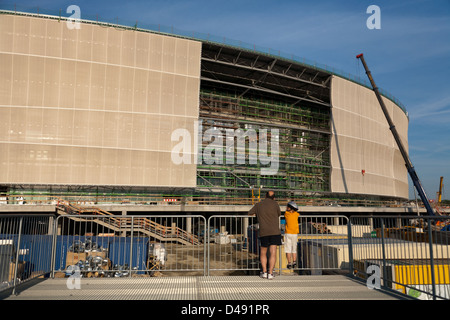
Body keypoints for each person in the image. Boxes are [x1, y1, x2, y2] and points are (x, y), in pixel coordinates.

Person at [248, 190, 281, 280]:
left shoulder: (259, 205)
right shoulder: (275, 204)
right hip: (274, 231)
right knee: (273, 252)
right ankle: (270, 273)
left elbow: (249, 212)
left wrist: (257, 214)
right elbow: (279, 214)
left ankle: (264, 271)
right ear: (274, 197)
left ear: (265, 196)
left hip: (263, 231)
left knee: (263, 252)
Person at [284, 201, 299, 269]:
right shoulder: (296, 214)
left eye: (287, 207)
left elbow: (286, 211)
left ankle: (289, 263)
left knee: (288, 249)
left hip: (288, 233)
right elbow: (297, 213)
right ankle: (294, 262)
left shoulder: (286, 214)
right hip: (295, 233)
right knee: (294, 249)